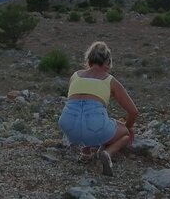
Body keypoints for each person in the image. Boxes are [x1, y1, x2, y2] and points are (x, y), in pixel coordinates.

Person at [58, 41, 138, 176]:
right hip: (96, 127)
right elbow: (133, 111)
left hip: (68, 128)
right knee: (123, 132)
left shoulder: (75, 76)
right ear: (108, 62)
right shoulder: (110, 80)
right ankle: (107, 153)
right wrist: (128, 127)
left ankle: (85, 152)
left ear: (89, 60)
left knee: (86, 116)